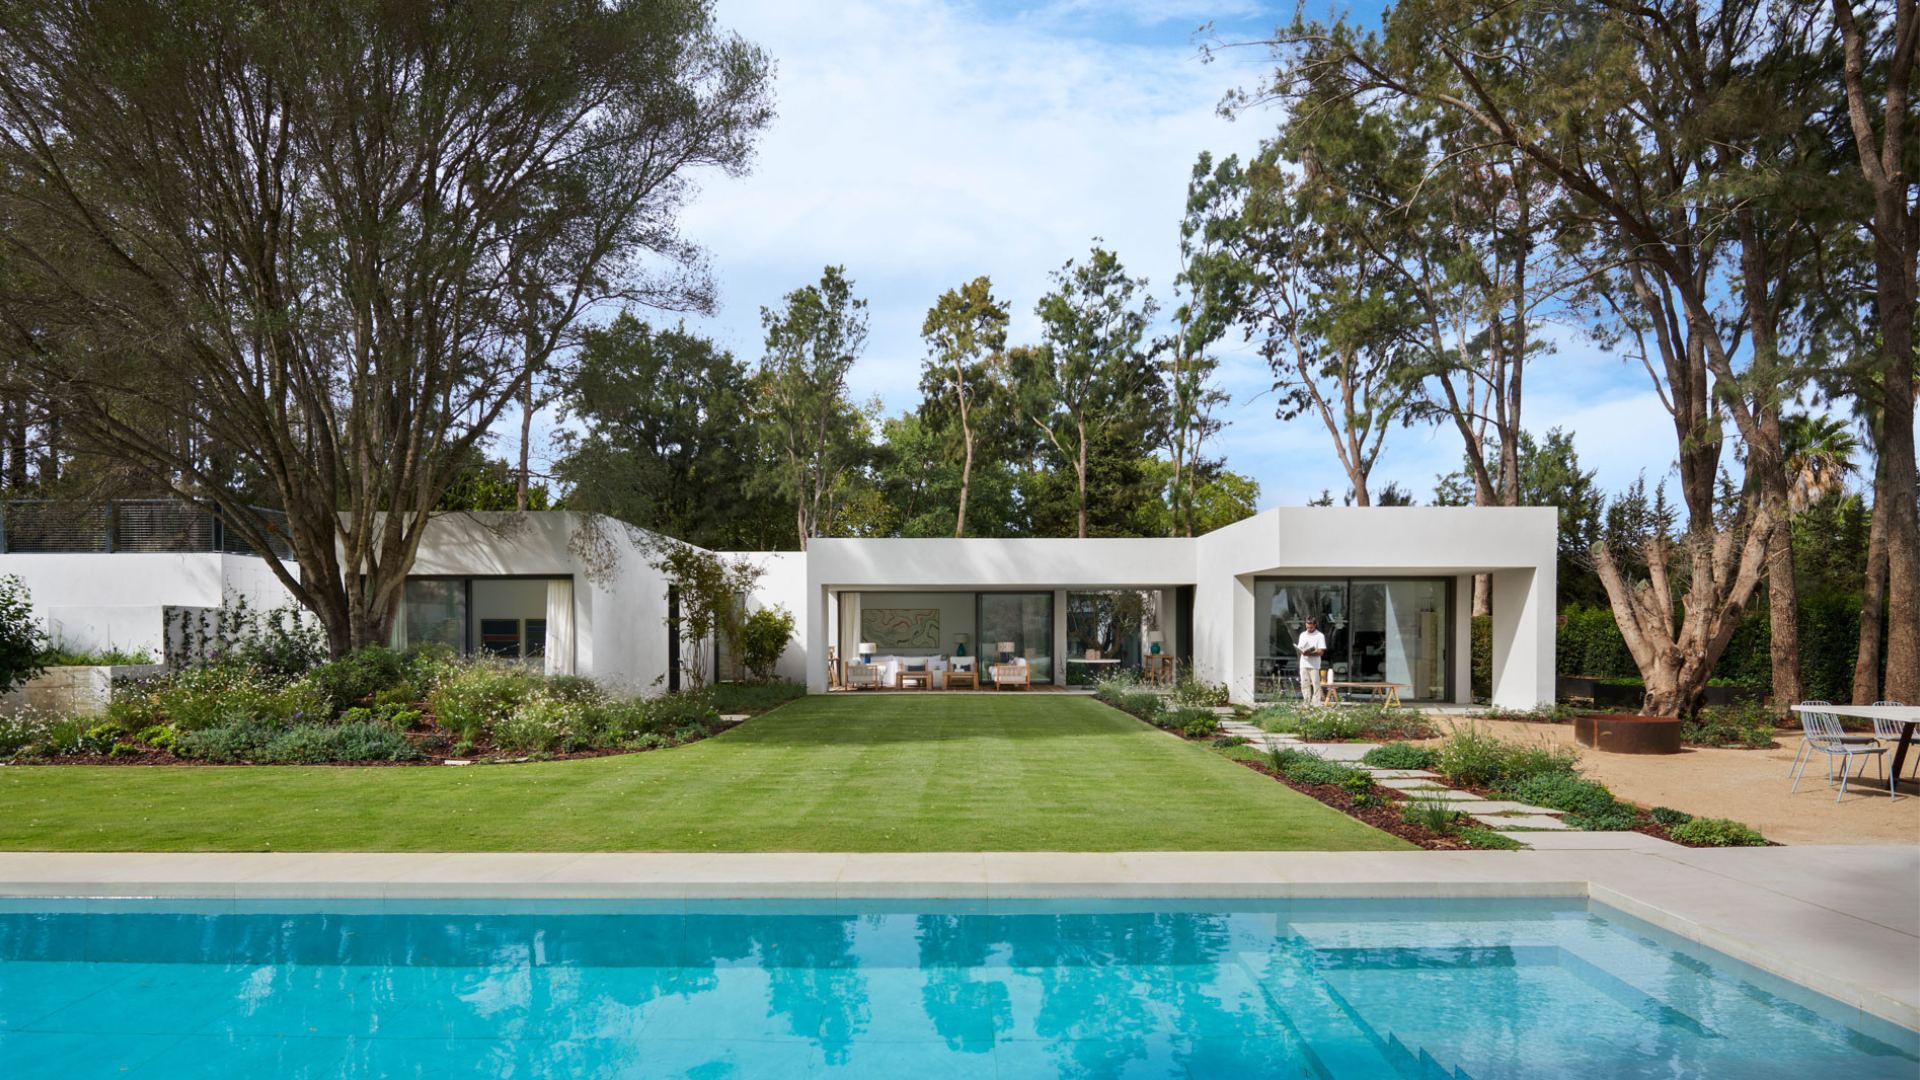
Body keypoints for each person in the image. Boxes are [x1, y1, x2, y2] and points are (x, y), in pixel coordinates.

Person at [1296, 617, 1328, 705]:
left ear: (1315, 625)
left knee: (1316, 684)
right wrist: (1302, 651)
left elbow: (1321, 652)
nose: (1309, 629)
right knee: (1304, 684)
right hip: (1303, 663)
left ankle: (1316, 704)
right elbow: (1300, 648)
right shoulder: (1302, 635)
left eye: (1311, 627)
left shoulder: (1320, 635)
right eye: (1307, 627)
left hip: (1314, 665)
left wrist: (1310, 653)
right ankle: (1306, 703)